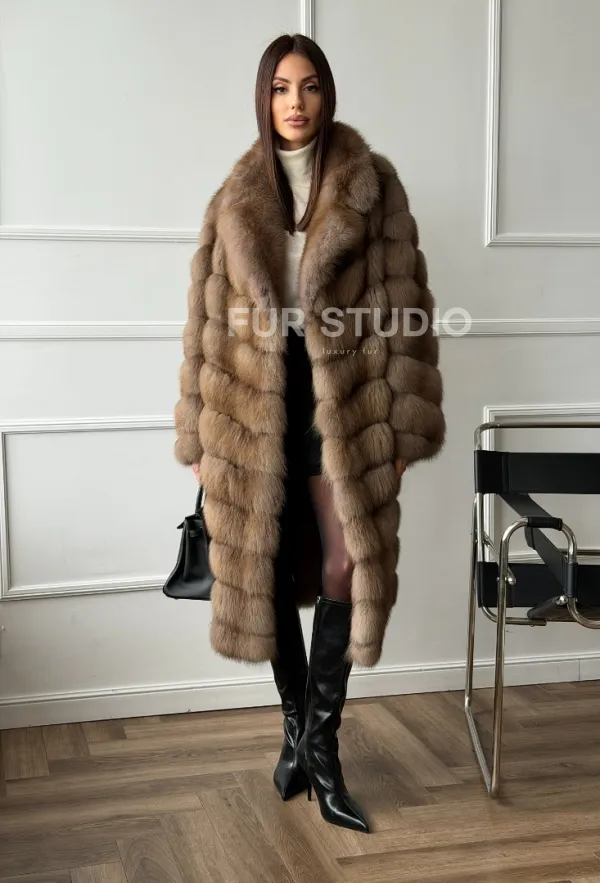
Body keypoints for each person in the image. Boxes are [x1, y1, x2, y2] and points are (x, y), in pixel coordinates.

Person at [174, 34, 445, 833]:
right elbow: (202, 328)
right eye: (281, 87)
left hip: (345, 401)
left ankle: (321, 753)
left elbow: (408, 312)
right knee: (264, 567)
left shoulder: (372, 186)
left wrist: (402, 429)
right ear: (265, 98)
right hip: (255, 404)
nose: (296, 102)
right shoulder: (234, 197)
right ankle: (299, 727)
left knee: (341, 562)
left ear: (327, 95)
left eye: (310, 86)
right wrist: (200, 438)